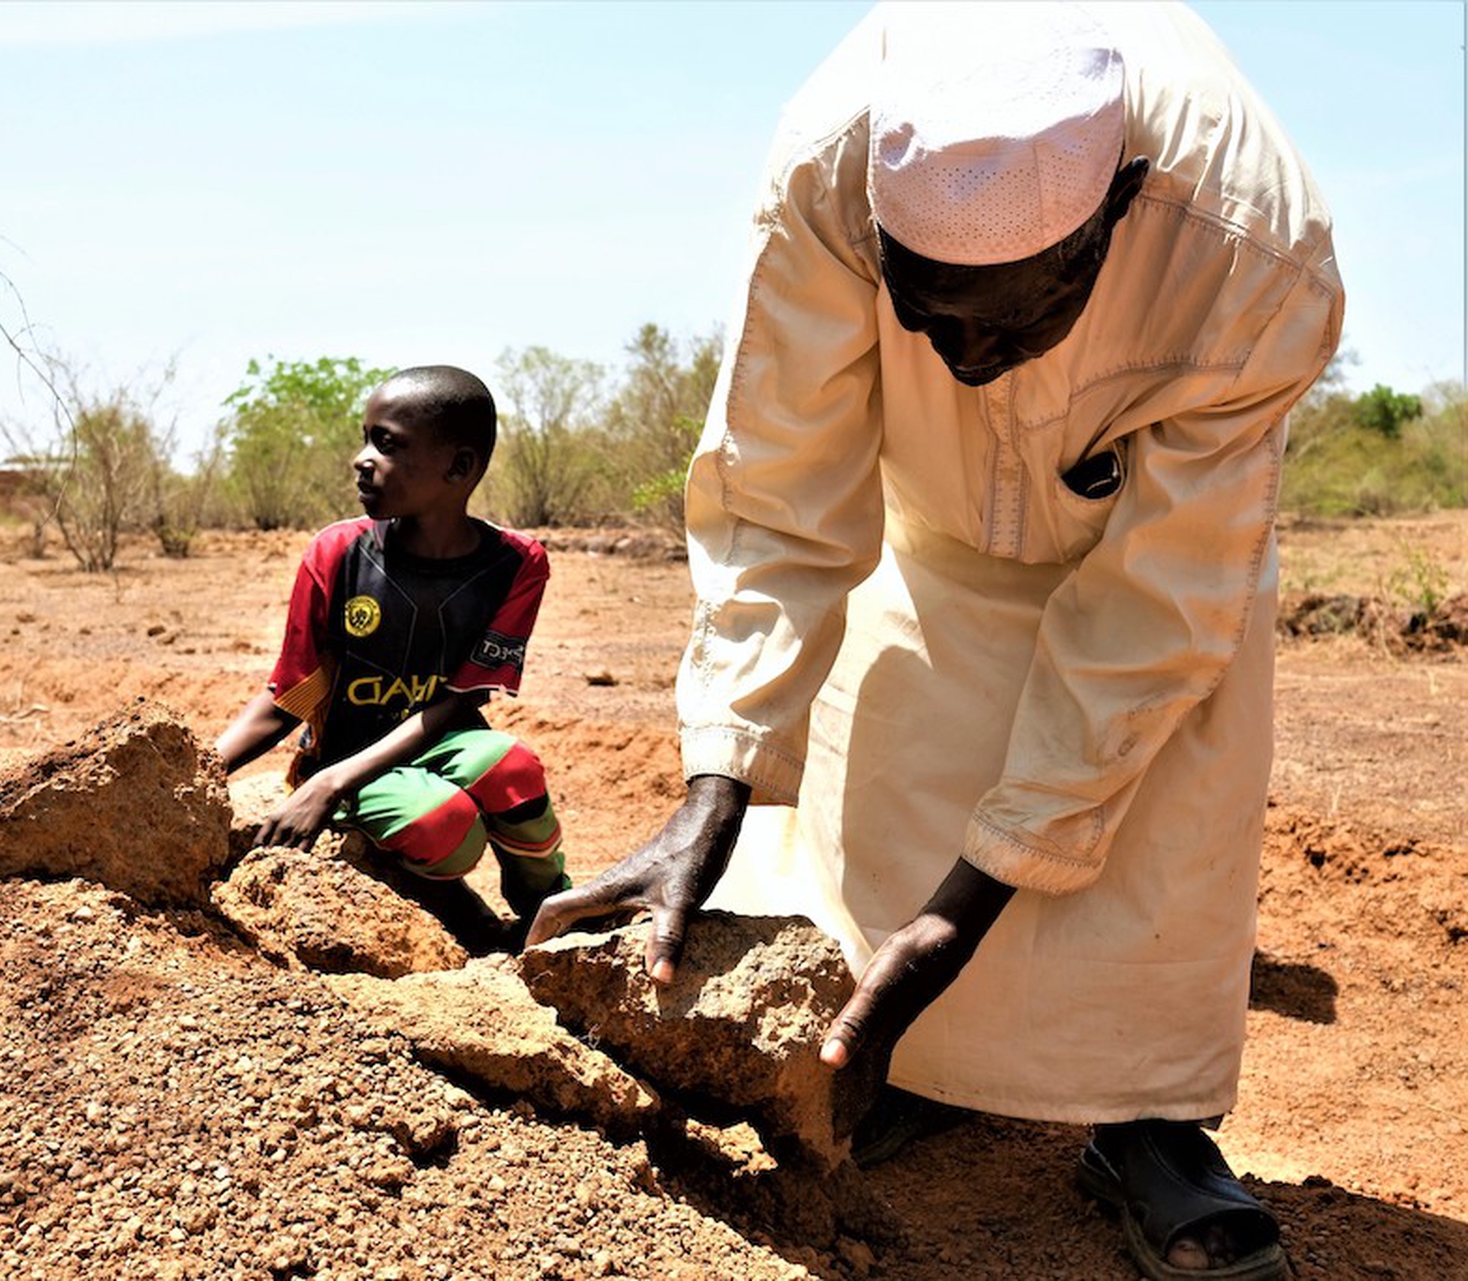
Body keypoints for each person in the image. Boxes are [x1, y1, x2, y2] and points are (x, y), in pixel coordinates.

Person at [528, 5, 1341, 1278]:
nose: (969, 363)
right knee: (894, 767)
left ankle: (1151, 1127)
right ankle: (909, 1061)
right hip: (928, 521)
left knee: (1166, 808)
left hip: (1143, 541)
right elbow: (775, 493)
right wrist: (718, 778)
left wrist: (964, 914)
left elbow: (1153, 612)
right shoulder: (826, 173)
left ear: (1114, 213)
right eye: (931, 315)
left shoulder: (1252, 248)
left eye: (1015, 320)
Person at [217, 365, 571, 944]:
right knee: (443, 824)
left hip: (442, 738)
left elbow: (461, 702)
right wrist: (201, 775)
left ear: (458, 468)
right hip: (344, 755)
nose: (361, 458)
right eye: (364, 438)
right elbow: (291, 697)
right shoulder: (337, 554)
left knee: (513, 767)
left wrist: (332, 786)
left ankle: (547, 916)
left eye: (386, 444)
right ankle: (462, 915)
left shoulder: (515, 564)